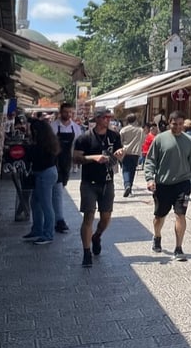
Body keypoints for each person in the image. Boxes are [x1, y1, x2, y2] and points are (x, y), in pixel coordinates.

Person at [143, 110, 191, 261]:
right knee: (159, 216)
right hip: (163, 184)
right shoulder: (160, 139)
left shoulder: (189, 141)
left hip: (182, 184)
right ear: (169, 123)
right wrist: (150, 178)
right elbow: (150, 161)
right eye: (175, 124)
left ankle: (179, 248)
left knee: (180, 214)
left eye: (181, 124)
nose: (178, 127)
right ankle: (157, 236)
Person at [72, 108, 124, 268]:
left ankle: (97, 236)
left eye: (110, 117)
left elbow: (116, 155)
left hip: (108, 181)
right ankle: (86, 253)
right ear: (97, 119)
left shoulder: (114, 136)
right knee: (88, 216)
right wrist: (93, 158)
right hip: (89, 182)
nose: (108, 120)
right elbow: (75, 158)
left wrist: (120, 154)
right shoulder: (85, 138)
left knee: (106, 217)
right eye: (105, 117)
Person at [22, 119, 60, 246]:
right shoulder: (49, 141)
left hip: (45, 174)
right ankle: (37, 229)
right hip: (46, 173)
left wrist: (26, 150)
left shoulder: (41, 145)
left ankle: (48, 234)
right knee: (35, 203)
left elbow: (35, 157)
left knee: (46, 205)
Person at [48, 102, 84, 234]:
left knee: (59, 189)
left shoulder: (76, 128)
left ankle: (54, 217)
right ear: (60, 112)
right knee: (57, 191)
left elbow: (78, 145)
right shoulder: (53, 126)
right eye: (66, 112)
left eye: (70, 112)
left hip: (67, 162)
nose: (68, 115)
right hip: (54, 161)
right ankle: (59, 220)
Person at [118, 113, 146, 197]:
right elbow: (143, 140)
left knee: (125, 170)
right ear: (135, 120)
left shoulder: (123, 130)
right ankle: (130, 186)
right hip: (135, 153)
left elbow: (120, 141)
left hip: (125, 152)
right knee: (132, 170)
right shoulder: (140, 130)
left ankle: (127, 185)